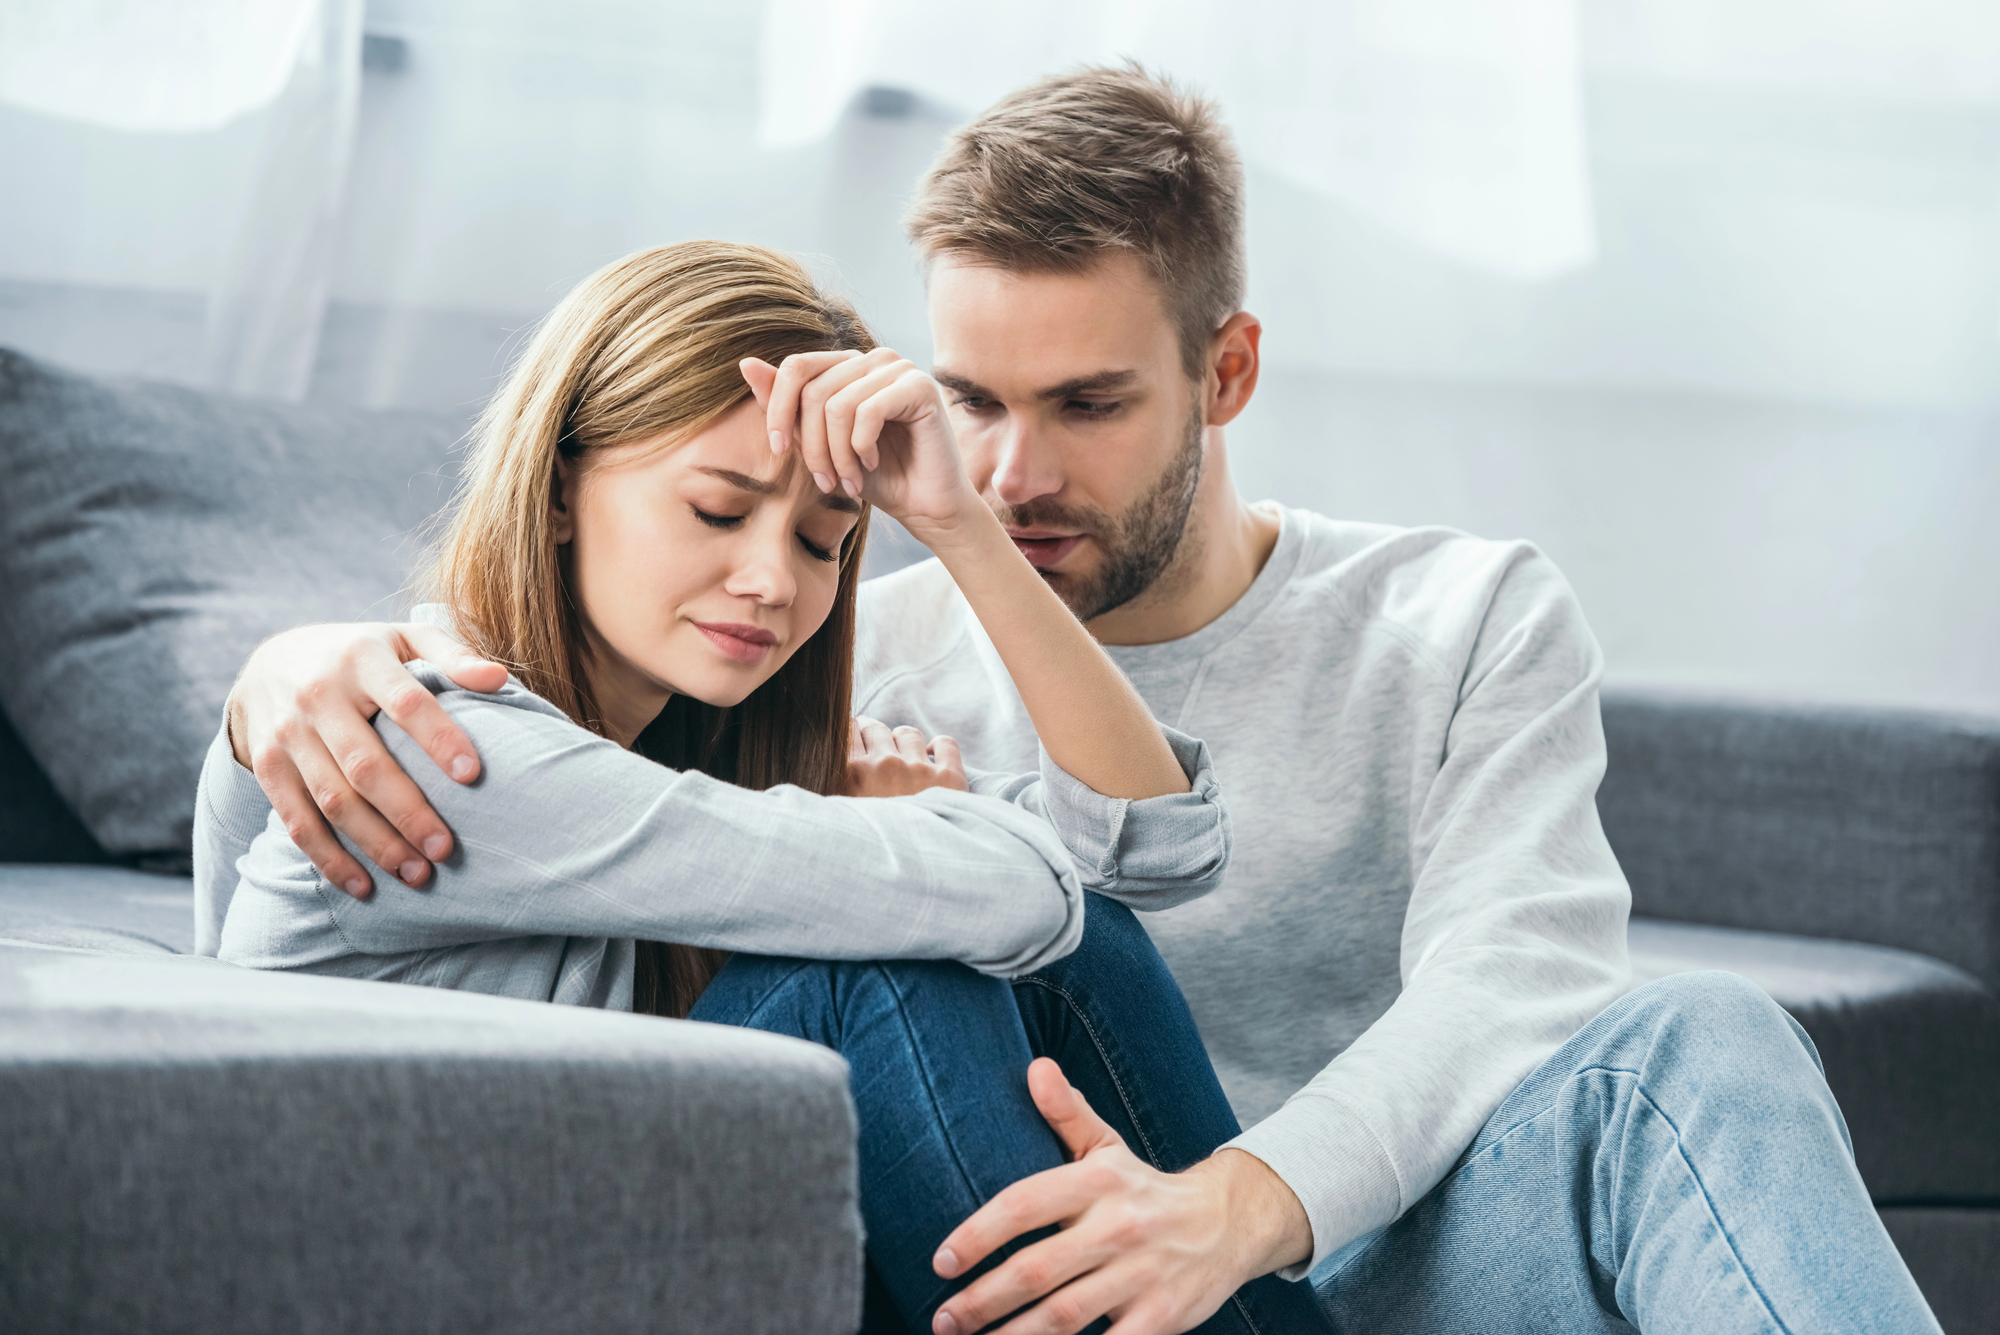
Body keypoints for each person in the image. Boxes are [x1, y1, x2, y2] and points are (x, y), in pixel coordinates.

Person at [224, 70, 1941, 1335]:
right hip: (1059, 1262)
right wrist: (273, 679)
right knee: (912, 951)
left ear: (1227, 372)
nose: (1019, 465)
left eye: (1091, 403)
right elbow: (432, 817)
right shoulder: (823, 664)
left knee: (1696, 1035)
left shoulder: (1461, 614)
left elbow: (1508, 981)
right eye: (971, 404)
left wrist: (1236, 1212)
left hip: (1365, 1242)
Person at [193, 240, 1335, 1333]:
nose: (770, 582)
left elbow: (1145, 855)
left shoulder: (673, 755)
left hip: (622, 1240)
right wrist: (913, 840)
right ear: (555, 492)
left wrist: (954, 526)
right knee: (882, 971)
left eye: (823, 541)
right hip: (461, 1278)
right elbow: (1037, 892)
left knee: (1022, 947)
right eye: (716, 510)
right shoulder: (433, 743)